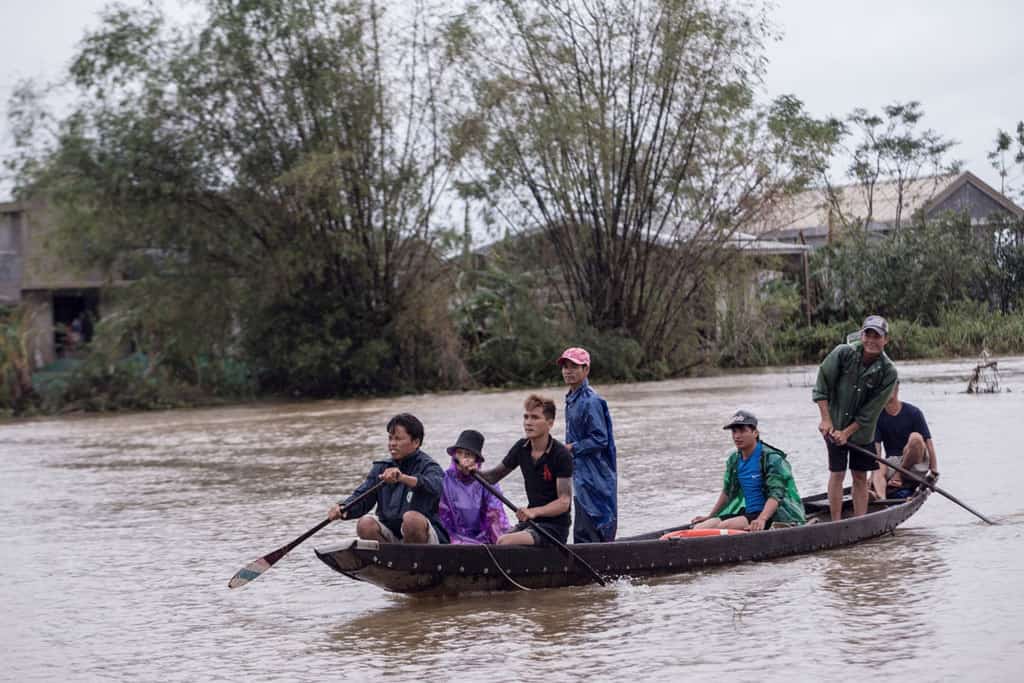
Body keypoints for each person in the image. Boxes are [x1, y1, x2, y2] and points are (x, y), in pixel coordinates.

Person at [812, 315, 898, 521]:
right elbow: (822, 385)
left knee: (859, 476)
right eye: (868, 334)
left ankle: (860, 521)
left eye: (877, 336)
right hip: (834, 425)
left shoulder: (888, 372)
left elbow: (871, 411)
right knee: (837, 473)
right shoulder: (843, 353)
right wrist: (826, 420)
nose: (871, 340)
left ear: (885, 340)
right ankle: (835, 523)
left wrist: (848, 433)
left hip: (862, 433)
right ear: (862, 335)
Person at [327, 413, 449, 544]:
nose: (392, 444)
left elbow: (438, 487)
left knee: (411, 519)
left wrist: (402, 478)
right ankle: (394, 561)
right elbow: (362, 496)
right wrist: (343, 508)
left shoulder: (429, 466)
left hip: (427, 537)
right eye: (390, 439)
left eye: (398, 439)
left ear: (416, 442)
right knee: (365, 524)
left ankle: (412, 560)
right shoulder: (381, 468)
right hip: (393, 535)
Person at [477, 395, 573, 546]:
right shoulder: (521, 448)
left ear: (550, 423)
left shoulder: (561, 455)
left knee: (504, 541)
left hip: (555, 528)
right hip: (531, 523)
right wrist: (471, 470)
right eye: (526, 417)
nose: (528, 423)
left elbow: (564, 502)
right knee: (494, 542)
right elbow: (492, 477)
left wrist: (534, 512)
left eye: (535, 417)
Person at [691, 410, 806, 531]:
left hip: (773, 515)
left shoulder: (772, 459)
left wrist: (762, 519)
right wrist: (710, 516)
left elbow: (776, 495)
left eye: (742, 431)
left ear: (755, 432)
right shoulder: (734, 459)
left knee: (724, 527)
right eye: (734, 431)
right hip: (747, 513)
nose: (737, 436)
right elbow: (727, 492)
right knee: (699, 528)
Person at [558, 347, 617, 543]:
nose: (568, 371)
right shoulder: (571, 399)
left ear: (586, 370)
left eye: (574, 366)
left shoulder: (591, 401)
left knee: (594, 518)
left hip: (595, 473)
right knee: (584, 519)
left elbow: (601, 439)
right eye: (565, 366)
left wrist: (572, 448)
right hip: (581, 472)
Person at [438, 429, 511, 544]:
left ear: (476, 460)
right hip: (451, 539)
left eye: (468, 455)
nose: (463, 459)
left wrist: (499, 544)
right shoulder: (444, 480)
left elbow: (495, 517)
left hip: (482, 541)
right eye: (459, 453)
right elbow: (442, 517)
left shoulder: (488, 483)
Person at [871, 381, 939, 500]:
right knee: (878, 464)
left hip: (916, 465)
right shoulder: (878, 416)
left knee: (916, 437)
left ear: (896, 388)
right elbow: (877, 450)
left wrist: (934, 471)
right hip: (892, 463)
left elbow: (928, 443)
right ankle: (882, 500)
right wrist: (872, 475)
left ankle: (899, 475)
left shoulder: (913, 412)